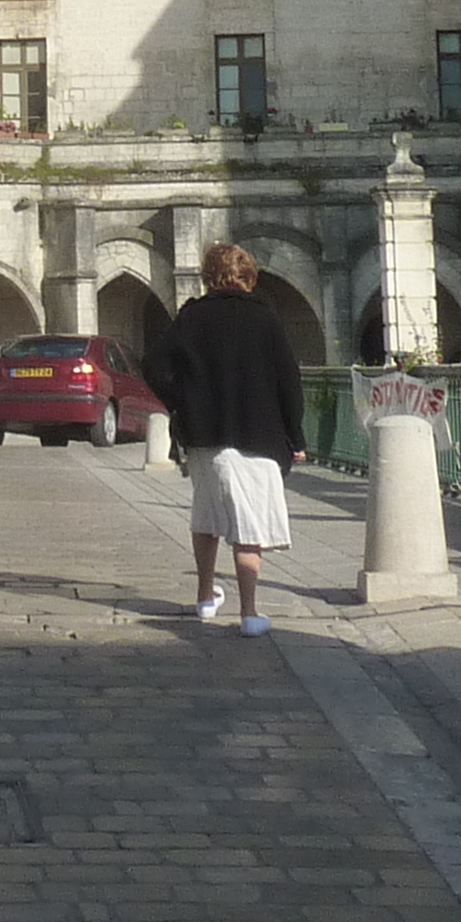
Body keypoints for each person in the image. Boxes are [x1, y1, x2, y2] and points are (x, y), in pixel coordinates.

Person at [146, 242, 308, 635]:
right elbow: (289, 382)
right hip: (258, 432)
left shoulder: (191, 316)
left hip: (203, 433)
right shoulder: (265, 320)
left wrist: (179, 403)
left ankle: (205, 597)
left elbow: (154, 365)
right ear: (249, 276)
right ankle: (250, 613)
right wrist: (296, 437)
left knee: (207, 514)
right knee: (248, 527)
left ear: (208, 277)